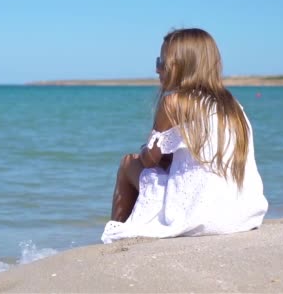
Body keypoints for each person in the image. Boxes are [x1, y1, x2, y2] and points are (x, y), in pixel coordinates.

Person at [101, 28, 268, 243]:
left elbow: (149, 161)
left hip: (200, 216)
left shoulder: (175, 103)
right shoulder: (232, 106)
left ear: (180, 65)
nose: (157, 69)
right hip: (242, 213)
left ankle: (115, 241)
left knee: (128, 163)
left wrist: (146, 150)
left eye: (162, 61)